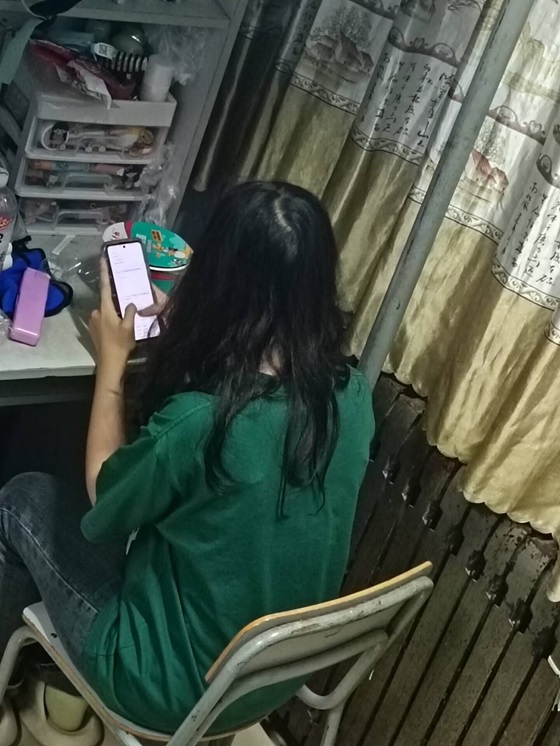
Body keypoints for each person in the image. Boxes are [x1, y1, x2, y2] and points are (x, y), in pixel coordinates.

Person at [0, 181, 374, 733]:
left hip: (164, 684)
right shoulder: (351, 396)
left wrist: (112, 360)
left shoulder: (203, 422)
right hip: (268, 676)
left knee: (20, 499)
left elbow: (104, 495)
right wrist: (198, 323)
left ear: (214, 279)